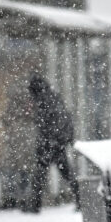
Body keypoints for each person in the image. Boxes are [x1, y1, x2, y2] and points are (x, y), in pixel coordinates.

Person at [24, 73, 80, 213]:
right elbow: (62, 119)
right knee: (66, 173)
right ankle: (82, 200)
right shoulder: (53, 97)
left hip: (49, 144)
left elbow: (45, 123)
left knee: (40, 175)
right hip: (57, 143)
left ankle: (34, 205)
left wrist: (48, 141)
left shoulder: (44, 100)